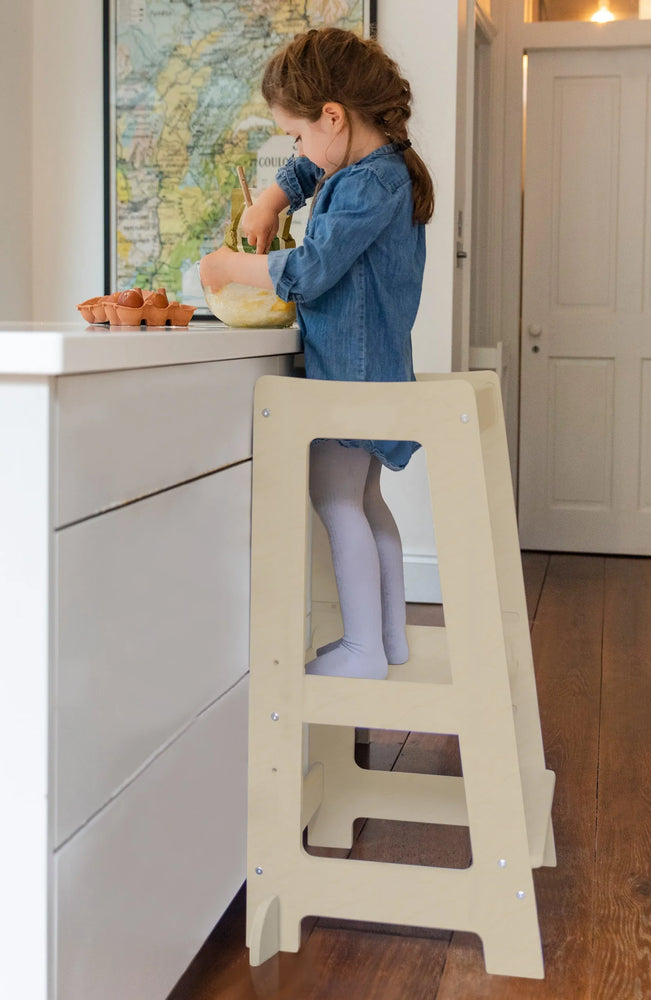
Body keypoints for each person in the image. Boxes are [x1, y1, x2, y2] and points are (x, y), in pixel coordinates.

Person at [199, 27, 434, 680]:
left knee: (335, 502)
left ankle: (362, 650)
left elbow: (308, 271)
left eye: (297, 135)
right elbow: (314, 167)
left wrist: (228, 268)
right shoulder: (378, 165)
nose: (297, 152)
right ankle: (388, 641)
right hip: (375, 374)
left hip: (348, 378)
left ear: (334, 117)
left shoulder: (364, 186)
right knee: (364, 502)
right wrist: (273, 198)